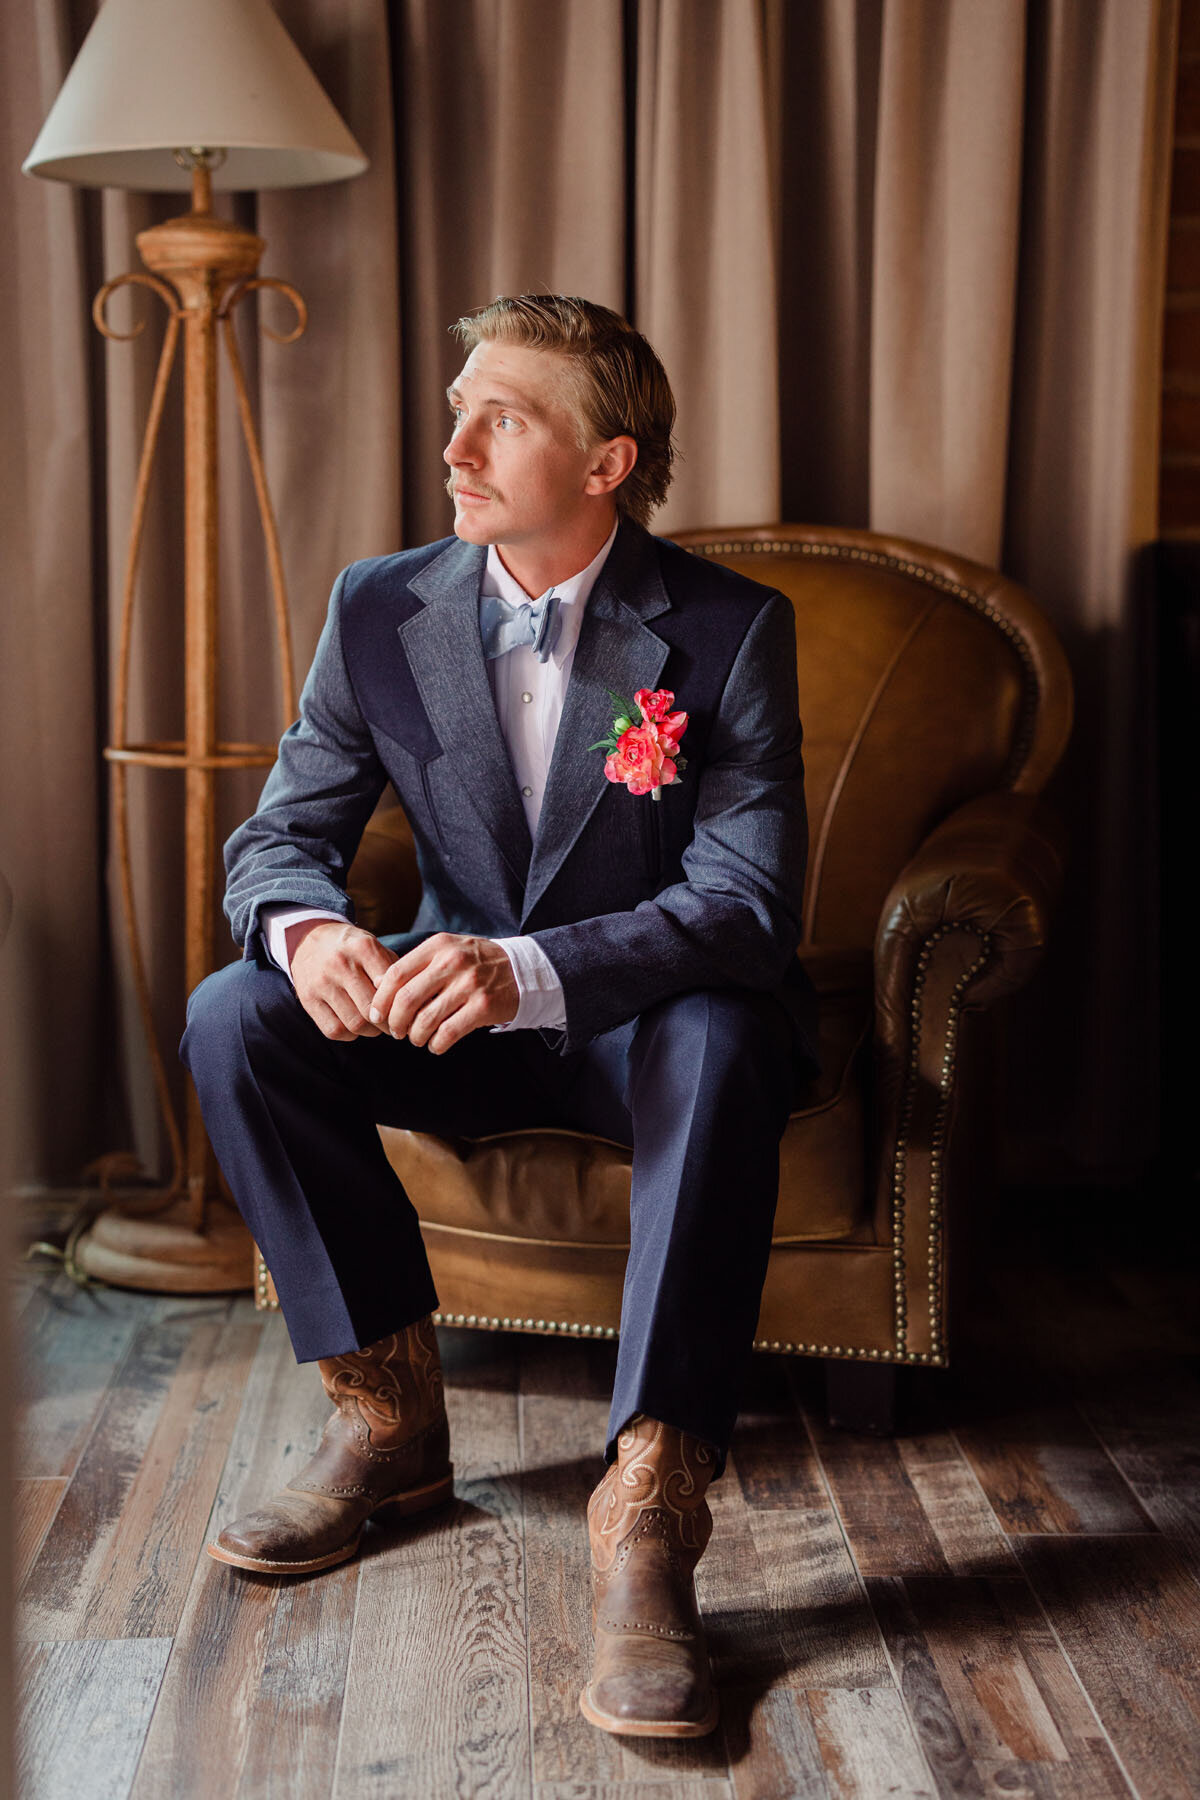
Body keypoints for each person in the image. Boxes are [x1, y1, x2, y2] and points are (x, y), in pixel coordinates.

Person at [181, 293, 818, 1740]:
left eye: (506, 416)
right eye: (462, 403)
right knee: (238, 1012)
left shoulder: (726, 631)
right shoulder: (380, 605)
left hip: (635, 1027)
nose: (457, 442)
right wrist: (313, 928)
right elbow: (284, 831)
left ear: (607, 464)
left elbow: (746, 905)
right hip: (446, 1017)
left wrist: (526, 970)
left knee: (729, 1030)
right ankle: (387, 1420)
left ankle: (652, 1507)